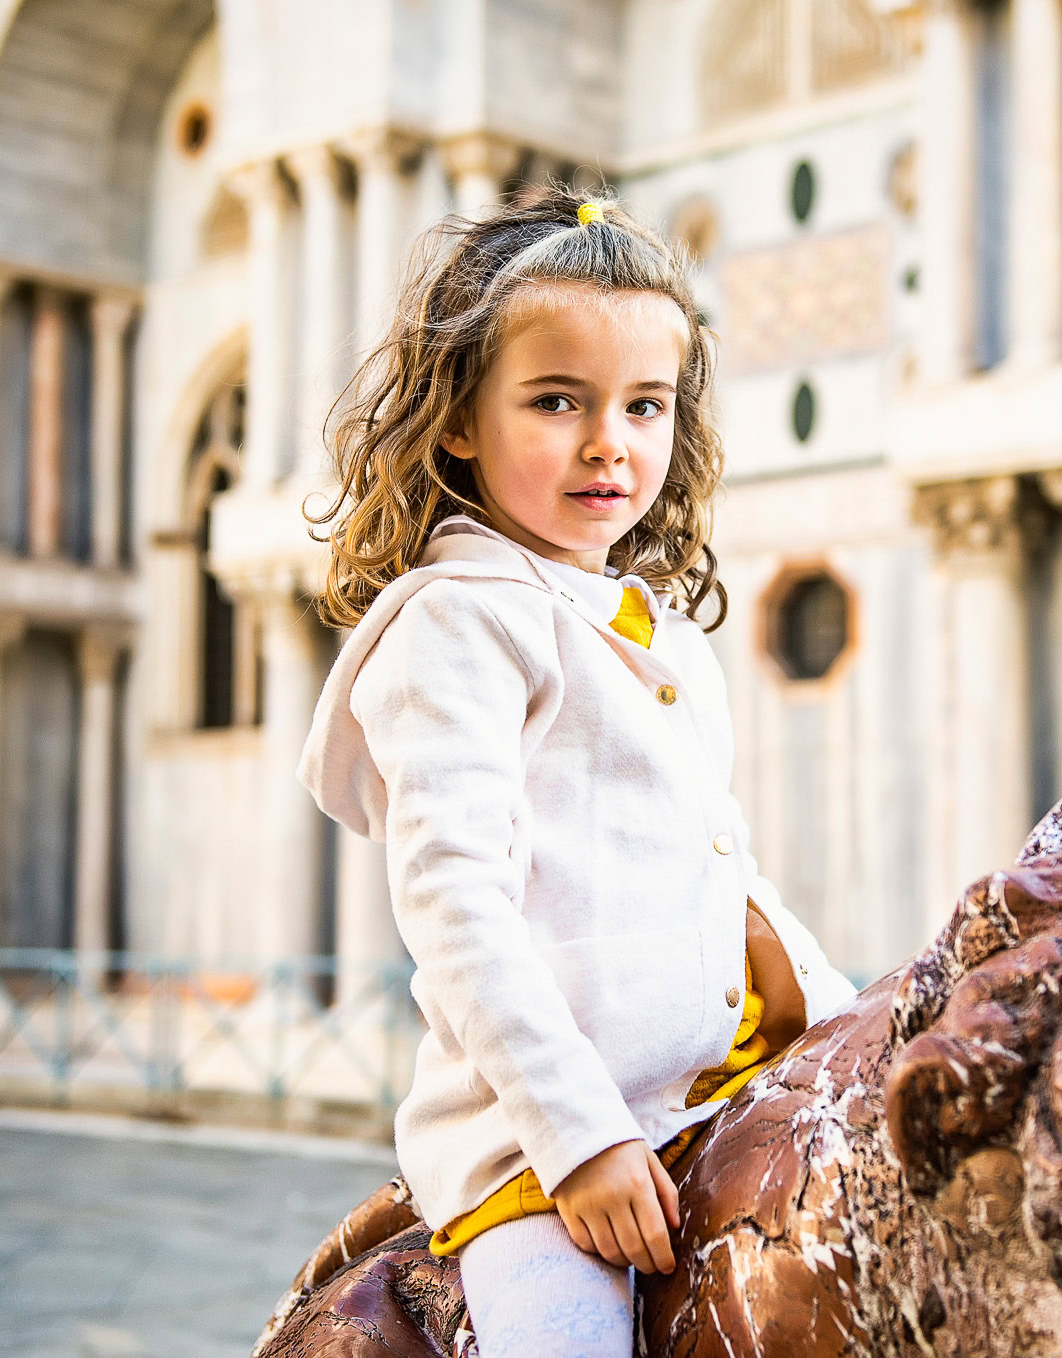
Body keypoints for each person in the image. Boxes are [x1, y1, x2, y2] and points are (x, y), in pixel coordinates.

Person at [297, 186, 859, 1357]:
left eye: (644, 404)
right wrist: (581, 1139)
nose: (611, 440)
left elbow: (722, 875)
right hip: (540, 1150)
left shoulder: (659, 633)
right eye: (558, 400)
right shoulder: (459, 624)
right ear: (458, 418)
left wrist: (858, 1020)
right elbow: (457, 912)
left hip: (717, 1089)